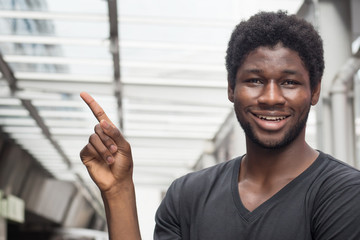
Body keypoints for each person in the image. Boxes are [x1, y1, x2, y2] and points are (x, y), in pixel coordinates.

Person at [80, 11, 360, 240]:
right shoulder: (187, 196)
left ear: (314, 91)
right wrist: (118, 191)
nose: (271, 97)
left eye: (289, 82)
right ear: (231, 88)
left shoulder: (345, 194)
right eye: (254, 80)